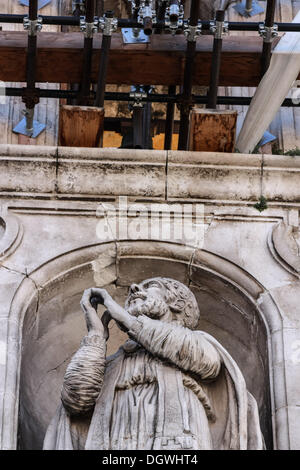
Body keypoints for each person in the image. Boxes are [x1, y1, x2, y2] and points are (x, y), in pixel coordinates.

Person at [43, 277, 264, 450]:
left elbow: (206, 362)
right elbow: (75, 402)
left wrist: (127, 320)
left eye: (152, 286)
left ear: (177, 303)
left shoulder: (199, 343)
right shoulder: (113, 364)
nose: (134, 288)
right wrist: (96, 337)